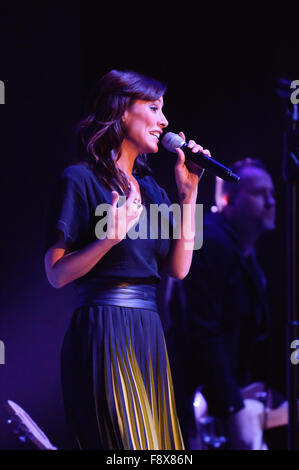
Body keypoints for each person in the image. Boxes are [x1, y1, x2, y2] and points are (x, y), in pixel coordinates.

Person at [43, 69, 211, 450]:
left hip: (148, 328)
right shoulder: (80, 179)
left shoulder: (152, 187)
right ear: (122, 113)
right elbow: (55, 274)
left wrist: (189, 196)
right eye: (153, 108)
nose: (165, 121)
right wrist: (108, 238)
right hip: (103, 326)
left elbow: (179, 269)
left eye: (164, 109)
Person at [166, 158, 278, 450]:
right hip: (192, 402)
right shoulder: (211, 242)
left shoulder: (244, 253)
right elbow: (202, 332)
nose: (271, 201)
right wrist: (232, 407)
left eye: (272, 193)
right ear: (228, 200)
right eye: (259, 193)